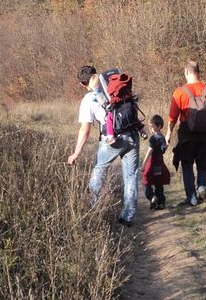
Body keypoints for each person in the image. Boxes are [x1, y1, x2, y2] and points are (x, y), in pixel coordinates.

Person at [67, 65, 140, 227]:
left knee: (99, 168)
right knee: (131, 175)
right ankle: (127, 216)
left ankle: (91, 208)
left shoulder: (89, 99)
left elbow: (85, 129)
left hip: (112, 139)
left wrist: (76, 153)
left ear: (82, 84)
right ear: (96, 74)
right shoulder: (117, 87)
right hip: (132, 133)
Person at [166, 60, 206, 206]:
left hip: (186, 134)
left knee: (187, 164)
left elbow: (172, 117)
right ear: (198, 72)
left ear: (186, 72)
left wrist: (168, 133)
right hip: (204, 133)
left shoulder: (179, 92)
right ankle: (202, 187)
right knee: (202, 162)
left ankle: (191, 198)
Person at [141, 114, 170, 210]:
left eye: (152, 126)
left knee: (146, 179)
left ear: (159, 126)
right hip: (160, 161)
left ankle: (152, 197)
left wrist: (143, 164)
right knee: (158, 181)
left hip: (152, 161)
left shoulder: (153, 138)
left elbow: (150, 151)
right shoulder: (162, 137)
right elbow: (163, 149)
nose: (150, 128)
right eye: (150, 126)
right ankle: (161, 202)